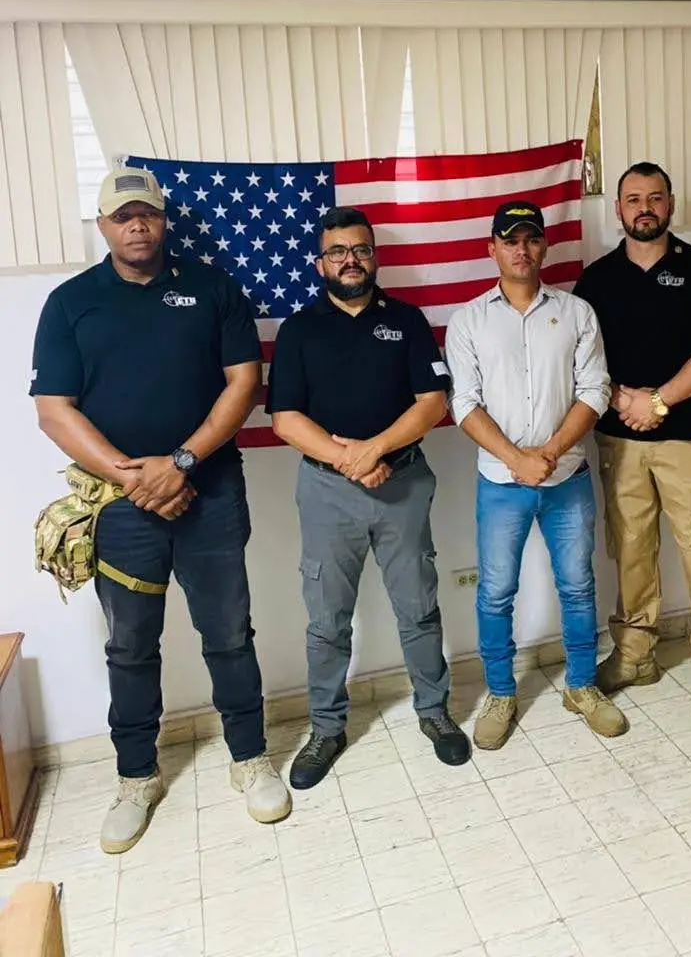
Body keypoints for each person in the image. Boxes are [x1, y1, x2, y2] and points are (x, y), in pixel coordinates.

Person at [30, 167, 290, 855]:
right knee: (130, 646)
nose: (136, 225)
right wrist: (129, 475)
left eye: (146, 213)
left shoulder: (210, 287)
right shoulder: (70, 303)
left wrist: (181, 463)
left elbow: (245, 381)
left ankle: (249, 758)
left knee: (229, 633)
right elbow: (53, 409)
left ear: (163, 218)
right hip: (119, 508)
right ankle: (136, 776)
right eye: (122, 216)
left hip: (208, 493)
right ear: (103, 225)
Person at [267, 206, 469, 787]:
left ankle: (434, 713)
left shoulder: (407, 321)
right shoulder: (299, 329)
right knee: (326, 620)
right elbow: (284, 418)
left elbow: (433, 403)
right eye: (338, 251)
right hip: (327, 493)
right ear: (320, 262)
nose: (350, 260)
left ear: (374, 256)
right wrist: (350, 462)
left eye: (360, 249)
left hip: (402, 485)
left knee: (419, 608)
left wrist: (374, 451)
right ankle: (327, 728)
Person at [445, 199, 627, 749]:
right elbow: (464, 403)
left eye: (530, 239)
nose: (521, 250)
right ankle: (501, 692)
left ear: (544, 245)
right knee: (496, 592)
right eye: (510, 240)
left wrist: (546, 451)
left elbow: (594, 389)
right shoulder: (468, 320)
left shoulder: (576, 313)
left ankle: (581, 685)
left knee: (577, 586)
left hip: (565, 476)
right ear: (492, 248)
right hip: (501, 485)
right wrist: (516, 458)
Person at [574, 162, 691, 738]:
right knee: (630, 549)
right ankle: (635, 655)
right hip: (619, 439)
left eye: (654, 197)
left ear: (671, 204)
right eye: (632, 199)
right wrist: (625, 397)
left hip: (687, 437)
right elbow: (582, 361)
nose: (643, 207)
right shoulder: (595, 279)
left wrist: (661, 401)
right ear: (617, 210)